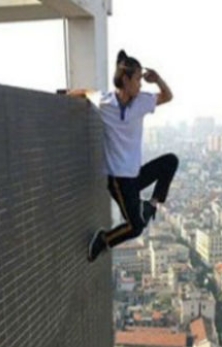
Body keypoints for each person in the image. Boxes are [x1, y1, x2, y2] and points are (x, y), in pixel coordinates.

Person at [68, 49, 178, 262]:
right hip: (119, 181)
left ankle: (151, 204)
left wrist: (158, 80)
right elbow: (83, 92)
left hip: (135, 176)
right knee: (135, 228)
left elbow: (168, 96)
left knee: (170, 161)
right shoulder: (105, 101)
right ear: (126, 80)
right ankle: (104, 239)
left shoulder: (142, 102)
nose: (140, 84)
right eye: (137, 79)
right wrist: (64, 96)